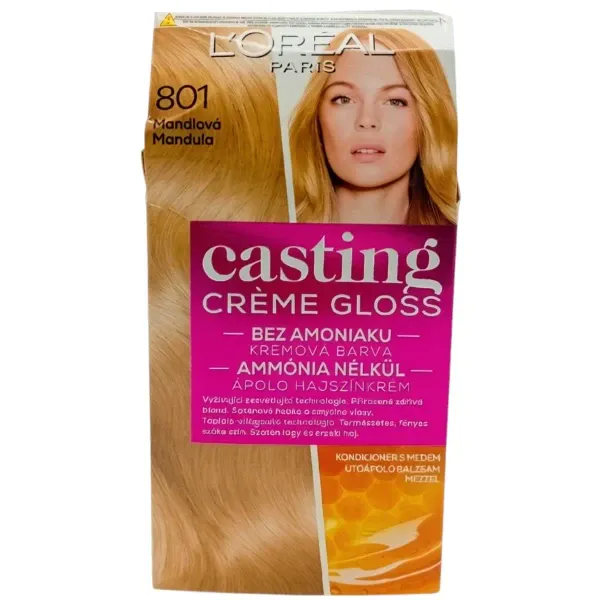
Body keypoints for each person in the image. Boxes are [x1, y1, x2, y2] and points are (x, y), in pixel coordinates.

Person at [290, 29, 458, 225]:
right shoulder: (272, 230)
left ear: (428, 119)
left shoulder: (459, 237)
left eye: (395, 101)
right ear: (316, 117)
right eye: (344, 99)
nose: (367, 120)